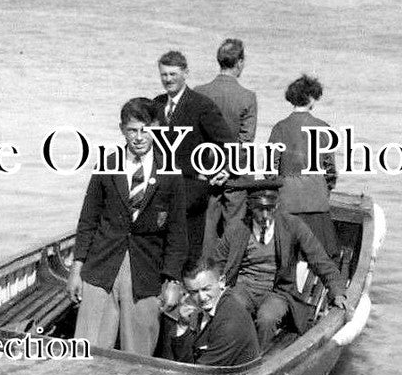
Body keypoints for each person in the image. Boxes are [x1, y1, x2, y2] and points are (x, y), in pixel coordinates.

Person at [67, 97, 187, 355]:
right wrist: (77, 269)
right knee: (88, 350)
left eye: (146, 130)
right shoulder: (107, 165)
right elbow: (88, 220)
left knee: (138, 353)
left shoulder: (170, 172)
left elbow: (177, 232)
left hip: (146, 272)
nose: (140, 137)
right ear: (122, 129)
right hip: (102, 267)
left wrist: (173, 281)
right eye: (133, 130)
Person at [210, 180, 347, 351]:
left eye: (270, 209)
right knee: (232, 311)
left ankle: (256, 360)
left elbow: (320, 259)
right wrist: (210, 290)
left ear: (277, 206)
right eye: (260, 209)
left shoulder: (293, 225)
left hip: (277, 292)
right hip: (243, 287)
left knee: (267, 319)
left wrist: (337, 291)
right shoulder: (237, 228)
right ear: (250, 207)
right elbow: (217, 263)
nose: (265, 215)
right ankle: (226, 354)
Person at [151, 50, 236, 269]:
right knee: (159, 249)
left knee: (187, 253)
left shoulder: (201, 105)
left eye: (173, 74)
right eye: (164, 75)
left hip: (191, 190)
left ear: (185, 73)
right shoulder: (156, 105)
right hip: (160, 189)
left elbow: (229, 143)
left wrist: (224, 169)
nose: (168, 79)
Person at [194, 38, 258, 260]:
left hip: (206, 170)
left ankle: (203, 273)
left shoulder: (199, 92)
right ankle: (228, 277)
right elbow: (245, 141)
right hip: (234, 175)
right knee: (234, 226)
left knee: (206, 227)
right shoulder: (248, 98)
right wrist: (229, 168)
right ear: (239, 63)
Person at [268, 74, 339, 259]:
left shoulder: (279, 128)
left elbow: (269, 170)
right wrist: (325, 189)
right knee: (315, 253)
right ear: (311, 99)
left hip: (288, 201)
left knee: (288, 252)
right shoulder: (324, 128)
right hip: (316, 200)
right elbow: (330, 171)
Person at [179, 265, 259, 366]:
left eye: (206, 289)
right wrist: (182, 325)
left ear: (221, 281)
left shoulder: (231, 321)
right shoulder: (204, 309)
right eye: (194, 292)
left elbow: (198, 373)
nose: (202, 297)